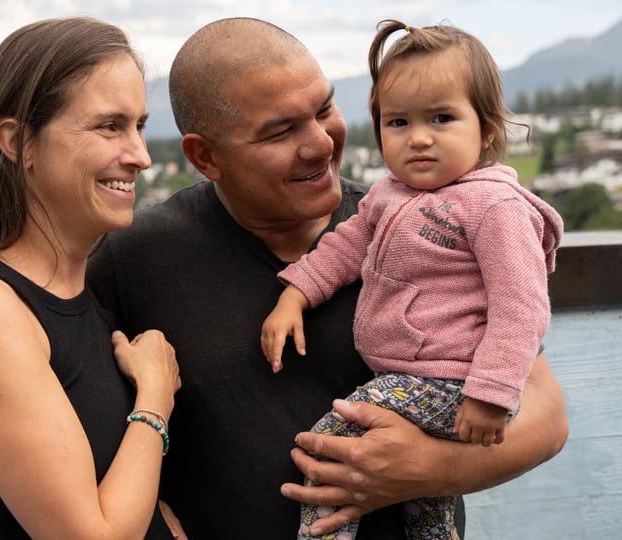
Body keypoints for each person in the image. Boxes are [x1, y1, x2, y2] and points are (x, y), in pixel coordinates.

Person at [87, 17, 568, 540]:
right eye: (281, 131)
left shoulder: (420, 225)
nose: (320, 143)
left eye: (324, 110)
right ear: (206, 156)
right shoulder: (132, 258)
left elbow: (546, 419)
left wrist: (425, 471)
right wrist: (154, 520)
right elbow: (77, 427)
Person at [260, 20, 564, 540]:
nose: (418, 138)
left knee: (336, 439)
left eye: (442, 118)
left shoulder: (494, 208)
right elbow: (345, 246)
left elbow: (522, 307)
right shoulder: (388, 195)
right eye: (398, 122)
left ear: (487, 129)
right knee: (427, 503)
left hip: (454, 387)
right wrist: (295, 294)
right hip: (422, 382)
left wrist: (489, 394)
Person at [0, 17, 183, 539]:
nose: (140, 155)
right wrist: (155, 399)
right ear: (18, 141)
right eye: (109, 126)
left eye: (139, 125)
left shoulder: (75, 291)